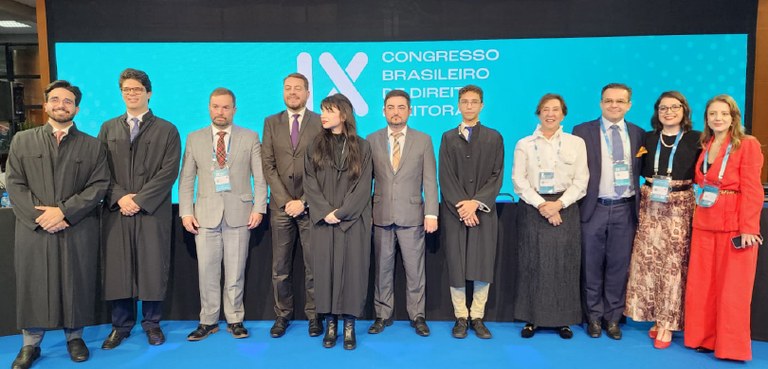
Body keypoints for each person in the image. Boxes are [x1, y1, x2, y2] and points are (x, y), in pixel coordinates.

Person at [6, 80, 110, 369]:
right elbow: (14, 183)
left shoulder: (92, 145)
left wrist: (64, 213)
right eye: (55, 99)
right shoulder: (22, 142)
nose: (61, 105)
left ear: (76, 108)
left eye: (67, 101)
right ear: (46, 103)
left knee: (75, 281)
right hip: (34, 229)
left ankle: (75, 338)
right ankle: (30, 345)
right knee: (33, 283)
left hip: (75, 227)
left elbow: (99, 185)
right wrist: (42, 217)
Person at [99, 68, 181, 349]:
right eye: (126, 90)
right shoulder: (108, 128)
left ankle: (152, 324)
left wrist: (140, 200)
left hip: (151, 211)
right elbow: (101, 171)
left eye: (137, 89)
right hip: (117, 211)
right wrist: (120, 196)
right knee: (119, 268)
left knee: (152, 266)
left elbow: (169, 171)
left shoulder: (167, 129)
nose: (132, 94)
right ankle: (120, 326)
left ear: (149, 93)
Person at [179, 88, 267, 341]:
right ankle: (207, 321)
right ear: (209, 108)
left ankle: (235, 319)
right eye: (216, 106)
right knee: (206, 272)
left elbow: (260, 178)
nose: (220, 112)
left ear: (234, 110)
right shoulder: (194, 138)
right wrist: (186, 212)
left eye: (226, 107)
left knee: (235, 272)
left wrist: (259, 207)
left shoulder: (249, 137)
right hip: (204, 216)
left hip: (240, 214)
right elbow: (186, 180)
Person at [684, 95, 763, 361]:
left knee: (733, 289)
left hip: (734, 226)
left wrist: (749, 227)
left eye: (723, 114)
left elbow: (752, 188)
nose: (718, 118)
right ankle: (705, 338)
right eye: (712, 114)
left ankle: (731, 347)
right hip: (705, 222)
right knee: (703, 285)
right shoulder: (706, 144)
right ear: (706, 119)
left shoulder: (747, 145)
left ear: (733, 118)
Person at [624, 91, 701, 349]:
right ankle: (655, 316)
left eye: (674, 107)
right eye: (663, 108)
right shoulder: (648, 137)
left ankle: (668, 322)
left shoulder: (696, 138)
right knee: (649, 263)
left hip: (679, 207)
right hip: (650, 206)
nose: (669, 112)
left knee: (673, 266)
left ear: (684, 110)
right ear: (657, 112)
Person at [511, 93, 588, 340]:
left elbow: (582, 180)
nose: (550, 114)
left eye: (555, 109)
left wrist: (559, 205)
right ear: (538, 113)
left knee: (564, 265)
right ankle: (531, 319)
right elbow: (519, 181)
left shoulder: (576, 143)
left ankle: (563, 320)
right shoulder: (524, 143)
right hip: (533, 209)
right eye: (545, 109)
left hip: (566, 208)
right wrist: (543, 205)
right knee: (533, 265)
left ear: (563, 113)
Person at [572, 83, 645, 339]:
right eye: (609, 100)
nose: (614, 105)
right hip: (595, 208)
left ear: (629, 105)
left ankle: (613, 318)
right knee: (590, 266)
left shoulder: (639, 134)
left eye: (620, 101)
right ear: (601, 103)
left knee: (618, 267)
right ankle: (593, 317)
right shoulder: (582, 131)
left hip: (625, 209)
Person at [303, 93, 372, 350]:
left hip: (352, 222)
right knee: (325, 272)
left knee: (352, 272)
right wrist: (324, 212)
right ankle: (330, 324)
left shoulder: (363, 147)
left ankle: (349, 326)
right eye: (322, 110)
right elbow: (309, 183)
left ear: (343, 114)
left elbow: (364, 187)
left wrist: (341, 213)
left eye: (329, 110)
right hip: (323, 222)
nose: (323, 115)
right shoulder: (314, 146)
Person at [366, 90, 438, 337]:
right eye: (390, 107)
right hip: (381, 215)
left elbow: (430, 180)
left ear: (410, 110)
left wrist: (431, 213)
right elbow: (366, 182)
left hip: (412, 216)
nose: (395, 111)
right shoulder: (371, 139)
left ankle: (417, 315)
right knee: (382, 270)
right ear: (384, 111)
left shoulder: (423, 140)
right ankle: (382, 314)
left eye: (400, 107)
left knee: (415, 270)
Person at [439, 85, 504, 340]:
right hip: (455, 213)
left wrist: (476, 203)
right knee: (457, 265)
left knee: (482, 265)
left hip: (483, 213)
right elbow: (444, 176)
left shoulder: (494, 137)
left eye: (474, 102)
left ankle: (477, 316)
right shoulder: (447, 137)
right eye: (464, 102)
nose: (469, 106)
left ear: (481, 105)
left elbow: (496, 175)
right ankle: (460, 317)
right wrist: (463, 207)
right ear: (458, 105)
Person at [261, 73, 324, 338]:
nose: (292, 92)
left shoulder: (321, 123)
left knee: (314, 266)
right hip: (280, 206)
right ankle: (282, 316)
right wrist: (287, 201)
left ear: (308, 93)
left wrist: (305, 201)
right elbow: (268, 164)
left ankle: (314, 316)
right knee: (280, 267)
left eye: (298, 88)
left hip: (311, 206)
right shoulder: (271, 122)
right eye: (288, 88)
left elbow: (323, 167)